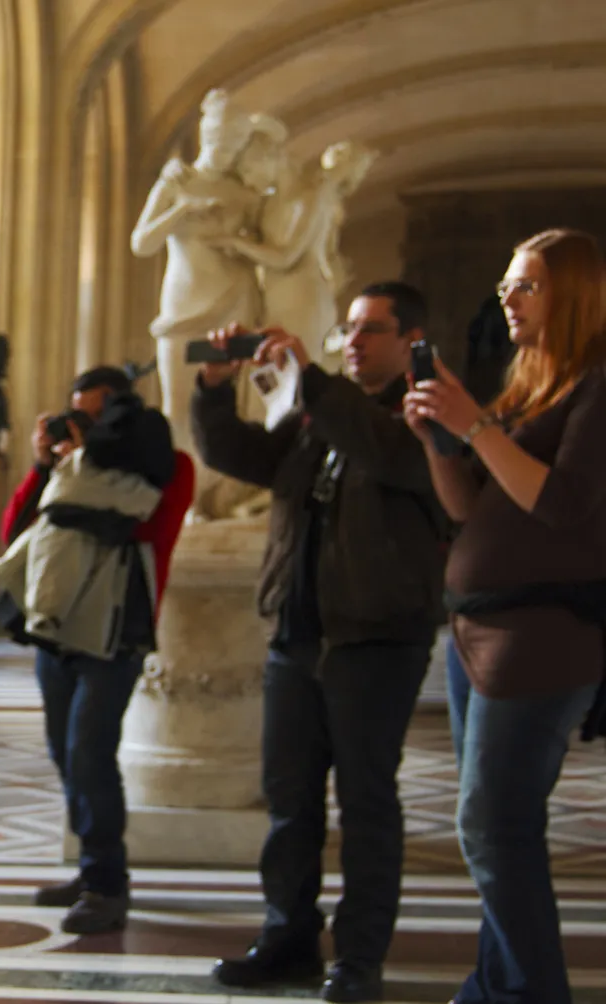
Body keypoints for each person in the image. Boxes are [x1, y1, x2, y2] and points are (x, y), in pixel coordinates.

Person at [191, 283, 447, 1003]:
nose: (355, 340)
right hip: (296, 637)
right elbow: (241, 455)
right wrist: (215, 391)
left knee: (366, 804)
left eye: (372, 329)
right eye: (349, 329)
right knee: (289, 802)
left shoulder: (424, 410)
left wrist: (314, 379)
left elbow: (388, 454)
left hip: (375, 640)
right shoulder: (317, 417)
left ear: (411, 340)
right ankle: (288, 935)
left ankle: (360, 955)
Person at [404, 228, 606, 1004]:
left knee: (492, 825)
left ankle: (528, 994)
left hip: (542, 634)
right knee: (499, 827)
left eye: (525, 285)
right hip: (476, 632)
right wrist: (436, 441)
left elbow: (563, 503)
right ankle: (494, 986)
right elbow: (473, 508)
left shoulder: (597, 387)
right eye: (504, 287)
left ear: (574, 294)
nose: (508, 299)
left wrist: (477, 425)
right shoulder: (534, 383)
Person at [0, 366, 193, 935]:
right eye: (78, 412)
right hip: (55, 627)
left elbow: (148, 529)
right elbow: (17, 531)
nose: (88, 424)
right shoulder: (69, 471)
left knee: (89, 752)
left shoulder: (168, 469)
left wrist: (90, 462)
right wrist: (43, 465)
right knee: (64, 751)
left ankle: (108, 884)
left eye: (98, 414)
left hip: (113, 633)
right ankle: (91, 867)